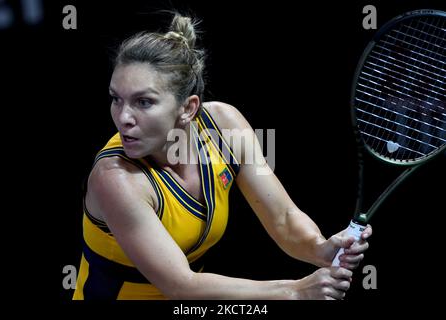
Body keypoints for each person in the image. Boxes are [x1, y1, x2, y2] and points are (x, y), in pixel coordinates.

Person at [73, 13, 372, 300]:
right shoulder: (115, 179)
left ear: (188, 108)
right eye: (116, 99)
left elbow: (283, 218)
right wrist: (295, 291)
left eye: (144, 102)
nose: (123, 117)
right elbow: (181, 286)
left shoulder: (223, 125)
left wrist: (320, 249)